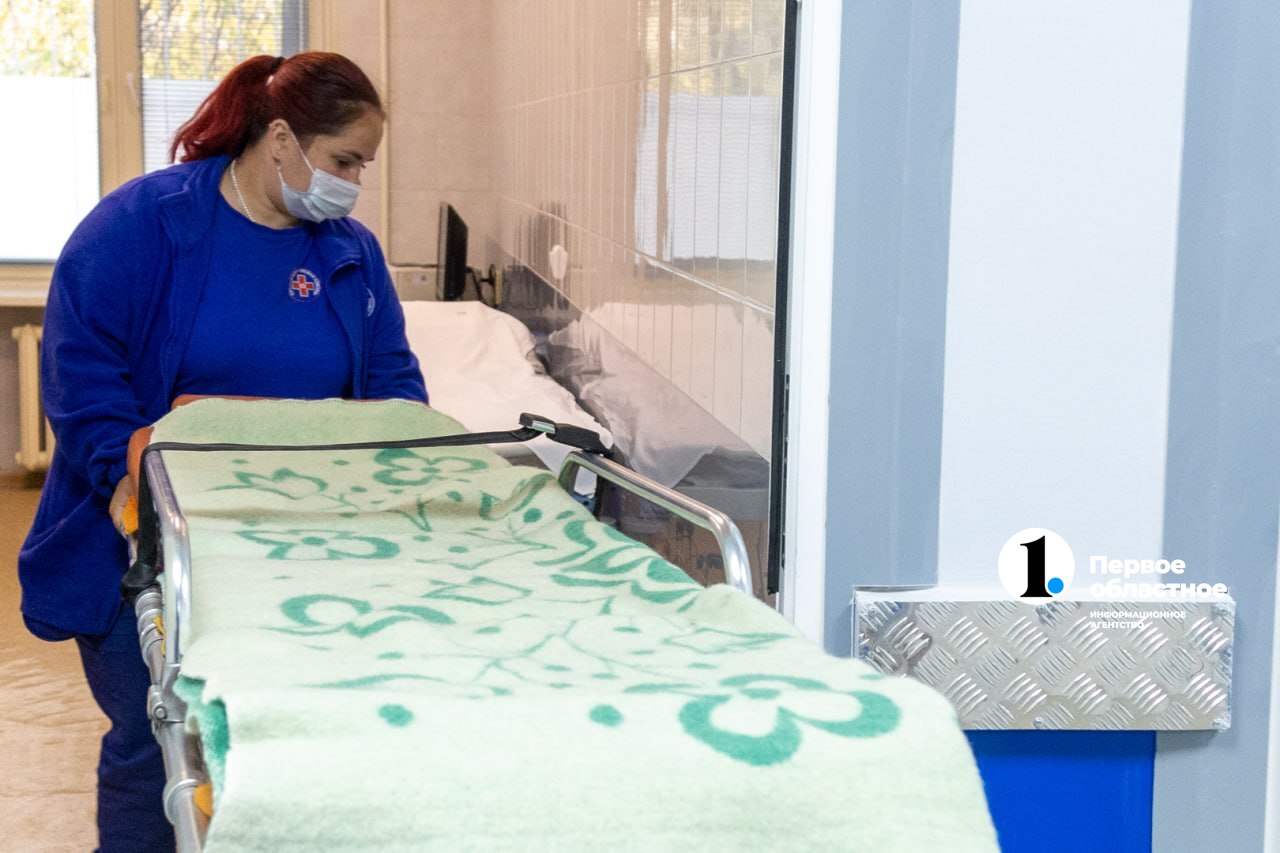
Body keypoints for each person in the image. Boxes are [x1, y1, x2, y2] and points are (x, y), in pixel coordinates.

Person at [17, 52, 427, 852]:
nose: (353, 184)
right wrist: (127, 467)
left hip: (301, 545)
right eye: (345, 161)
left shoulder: (349, 255)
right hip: (155, 537)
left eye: (362, 167)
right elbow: (82, 372)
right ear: (281, 139)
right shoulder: (141, 226)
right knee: (155, 742)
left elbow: (394, 388)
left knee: (282, 747)